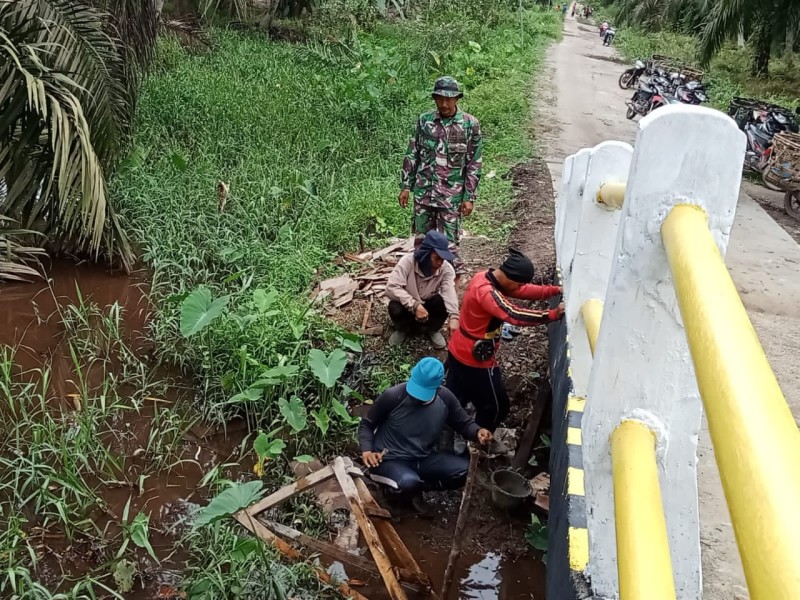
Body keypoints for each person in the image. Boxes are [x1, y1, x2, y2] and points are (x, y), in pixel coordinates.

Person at [445, 249, 564, 431]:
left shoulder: (484, 276)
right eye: (518, 285)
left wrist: (554, 290)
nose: (519, 289)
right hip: (474, 359)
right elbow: (514, 314)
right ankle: (477, 438)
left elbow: (523, 291)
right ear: (510, 278)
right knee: (496, 407)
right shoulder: (487, 293)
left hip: (458, 349)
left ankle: (452, 426)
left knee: (455, 395)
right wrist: (551, 314)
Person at [359, 357, 492, 513]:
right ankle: (391, 493)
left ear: (438, 387)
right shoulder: (394, 396)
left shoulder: (445, 398)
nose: (416, 396)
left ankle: (417, 490)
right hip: (389, 458)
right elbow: (367, 424)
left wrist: (478, 432)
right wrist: (367, 450)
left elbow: (464, 423)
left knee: (462, 471)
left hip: (422, 457)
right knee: (407, 482)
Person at [399, 77, 482, 280]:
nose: (444, 104)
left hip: (450, 197)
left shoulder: (470, 125)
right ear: (435, 99)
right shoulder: (424, 121)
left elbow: (474, 162)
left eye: (449, 99)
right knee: (422, 243)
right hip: (424, 193)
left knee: (449, 245)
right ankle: (422, 285)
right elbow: (413, 154)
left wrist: (469, 196)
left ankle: (452, 288)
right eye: (439, 99)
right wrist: (406, 186)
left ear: (457, 99)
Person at [385, 230, 460, 349]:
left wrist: (454, 316)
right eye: (437, 258)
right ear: (426, 254)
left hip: (429, 305)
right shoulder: (407, 262)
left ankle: (433, 329)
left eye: (443, 259)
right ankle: (403, 329)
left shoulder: (446, 269)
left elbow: (449, 292)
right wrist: (415, 305)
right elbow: (391, 287)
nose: (440, 263)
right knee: (395, 306)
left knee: (441, 302)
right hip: (408, 306)